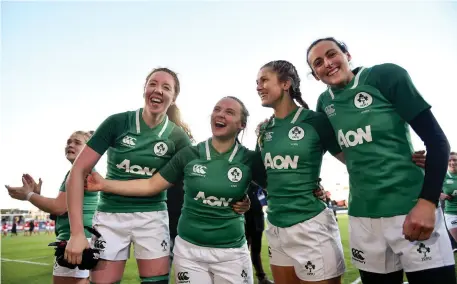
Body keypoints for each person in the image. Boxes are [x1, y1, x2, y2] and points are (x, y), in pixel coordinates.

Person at [63, 69, 250, 284]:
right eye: (153, 84)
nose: (158, 90)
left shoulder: (178, 137)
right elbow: (78, 171)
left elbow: (205, 176)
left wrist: (241, 197)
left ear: (174, 98)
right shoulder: (117, 123)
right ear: (144, 88)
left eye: (166, 87)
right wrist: (76, 233)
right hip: (110, 217)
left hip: (152, 218)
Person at [307, 37, 456, 284]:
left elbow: (438, 142)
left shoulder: (385, 76)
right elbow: (347, 154)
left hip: (410, 208)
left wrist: (427, 203)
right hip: (363, 217)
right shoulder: (325, 103)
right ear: (315, 75)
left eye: (332, 54)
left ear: (347, 55)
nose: (328, 64)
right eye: (318, 63)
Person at [256, 60, 346, 284]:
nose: (258, 86)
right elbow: (266, 177)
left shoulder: (315, 121)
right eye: (257, 82)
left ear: (286, 84)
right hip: (276, 224)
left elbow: (353, 160)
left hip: (311, 224)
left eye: (264, 80)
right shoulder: (264, 130)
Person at [5, 130, 98, 284]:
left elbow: (58, 207)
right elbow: (62, 209)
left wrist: (28, 195)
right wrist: (38, 196)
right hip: (82, 237)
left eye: (77, 142)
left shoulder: (79, 171)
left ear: (88, 149)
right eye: (69, 141)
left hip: (76, 239)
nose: (70, 144)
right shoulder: (80, 171)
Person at [245, 183, 274, 284]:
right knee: (243, 251)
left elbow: (266, 200)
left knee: (256, 250)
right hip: (244, 220)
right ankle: (242, 277)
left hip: (258, 221)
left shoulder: (260, 187)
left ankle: (261, 277)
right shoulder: (244, 184)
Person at [441, 152, 457, 250]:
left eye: (455, 160)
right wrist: (439, 194)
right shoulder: (443, 175)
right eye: (449, 160)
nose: (452, 162)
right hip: (451, 214)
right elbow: (430, 188)